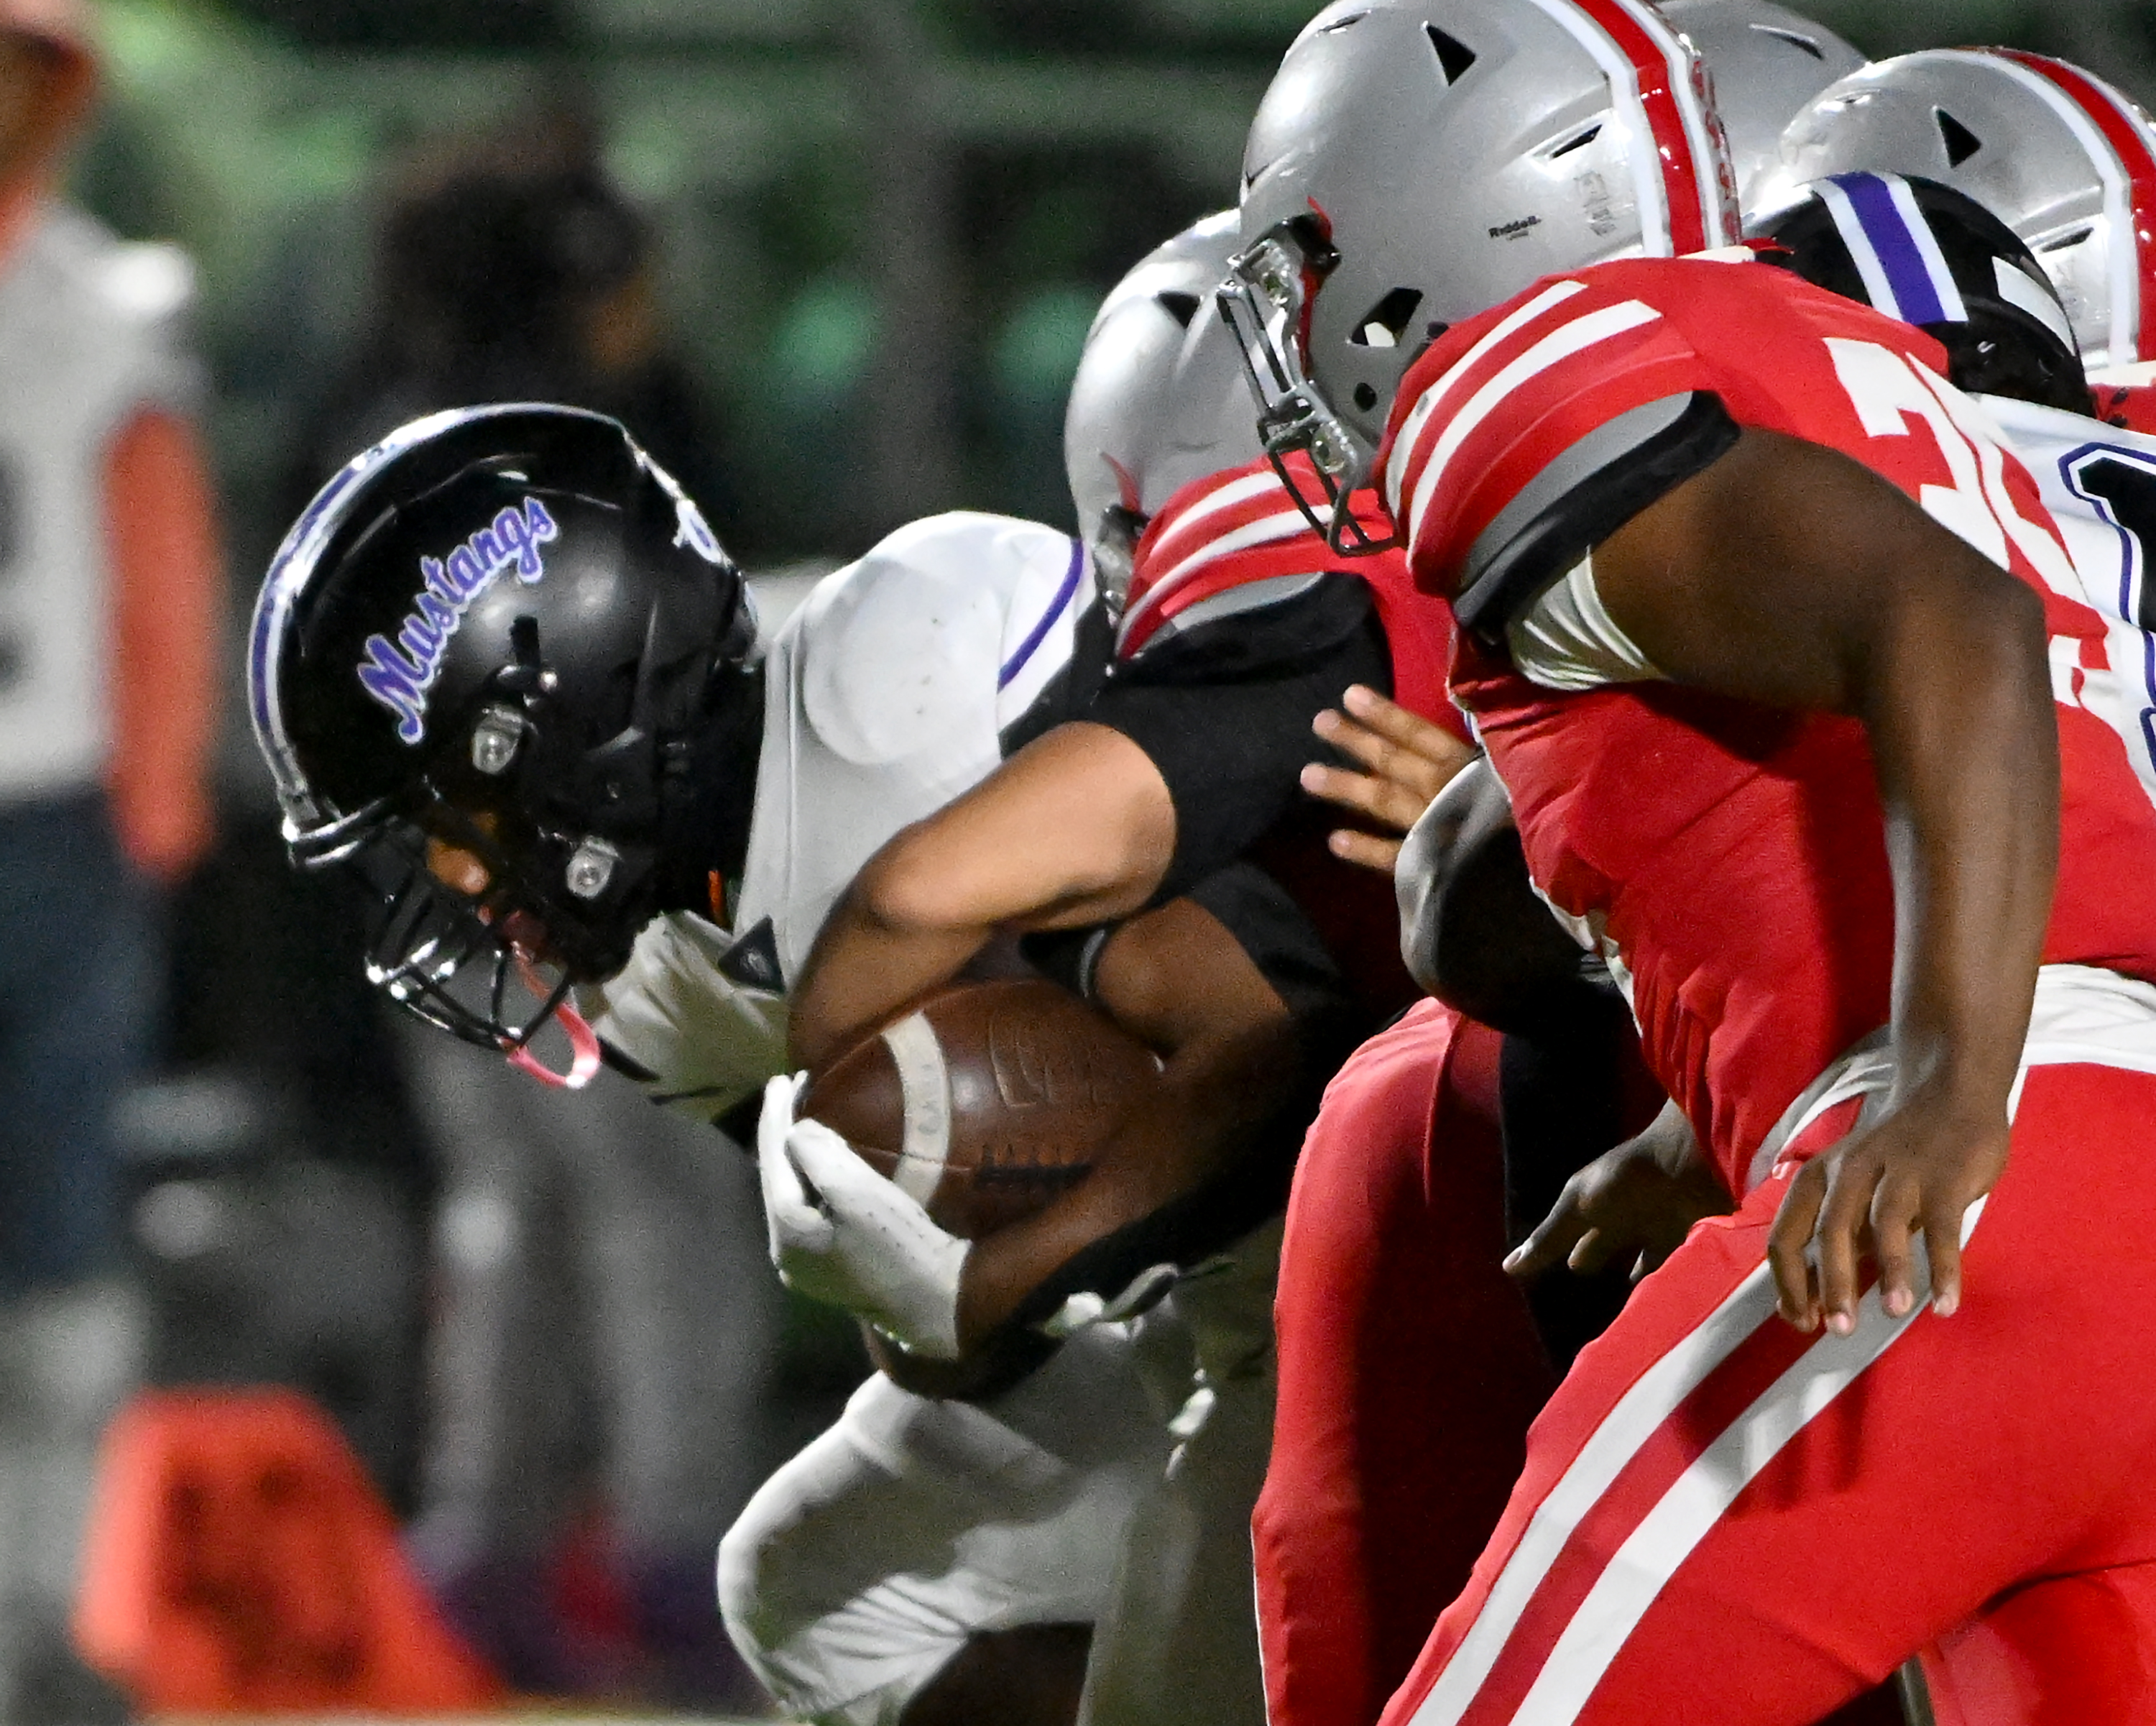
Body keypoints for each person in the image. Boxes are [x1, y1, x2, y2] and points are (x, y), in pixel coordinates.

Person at [1219, 0, 2156, 1718]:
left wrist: (1948, 1088)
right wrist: (1685, 1123)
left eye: (1302, 261)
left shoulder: (1542, 367)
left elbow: (1954, 626)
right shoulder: (1919, 401)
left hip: (1987, 1194)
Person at [0, 2, 221, 1710]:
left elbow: (160, 562)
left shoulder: (102, 310)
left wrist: (153, 808)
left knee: (62, 1230)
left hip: (56, 819)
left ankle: (51, 1608)